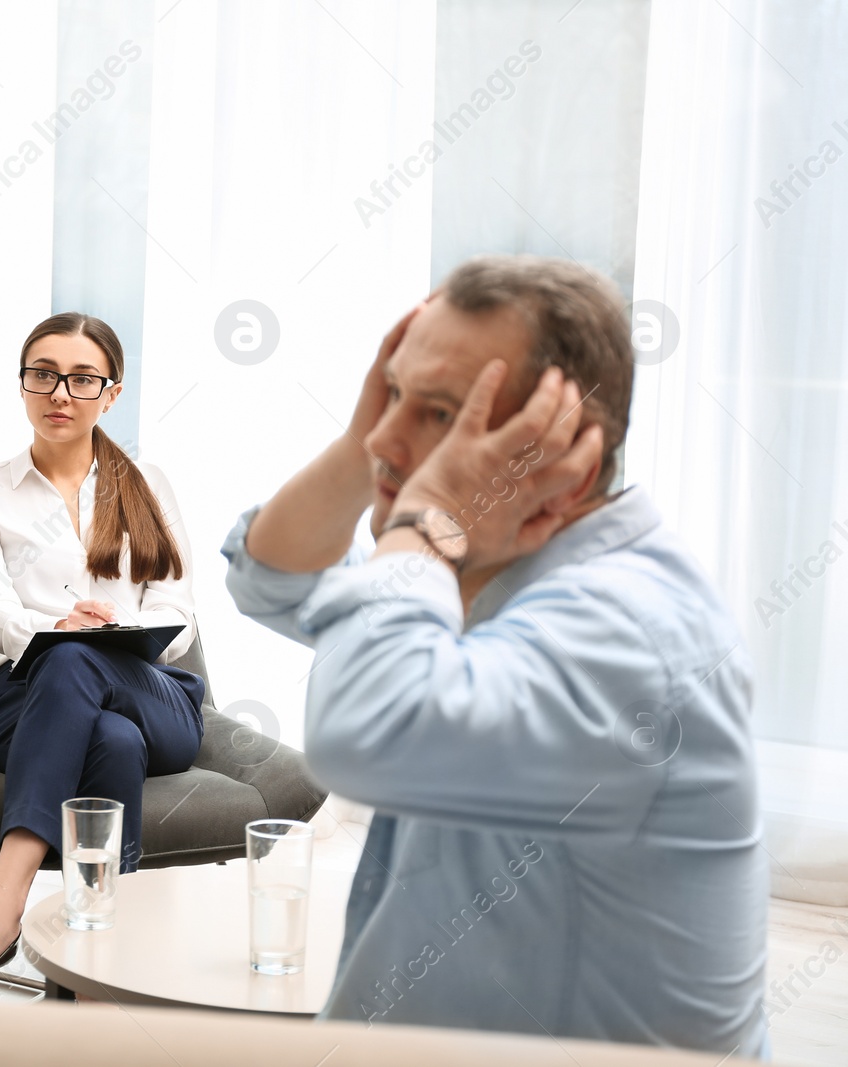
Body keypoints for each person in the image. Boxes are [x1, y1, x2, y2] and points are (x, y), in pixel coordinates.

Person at [221, 256, 767, 1054]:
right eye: (394, 395)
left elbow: (365, 731)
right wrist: (370, 447)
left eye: (441, 412)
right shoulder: (492, 566)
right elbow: (271, 575)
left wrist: (429, 518)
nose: (388, 434)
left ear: (558, 446)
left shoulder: (630, 631)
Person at [0, 312, 205, 995]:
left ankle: (0, 906)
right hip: (15, 705)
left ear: (112, 393)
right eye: (43, 375)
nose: (60, 394)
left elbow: (178, 614)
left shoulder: (149, 484)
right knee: (106, 732)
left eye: (82, 379)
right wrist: (58, 630)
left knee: (81, 661)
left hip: (153, 696)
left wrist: (103, 640)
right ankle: (89, 970)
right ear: (22, 384)